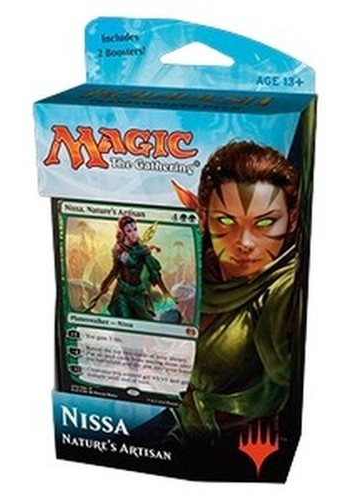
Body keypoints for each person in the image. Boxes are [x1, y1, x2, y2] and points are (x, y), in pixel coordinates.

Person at [170, 140, 302, 440]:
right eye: (226, 221)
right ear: (204, 217)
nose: (245, 243)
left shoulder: (283, 289)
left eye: (265, 223)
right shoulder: (196, 269)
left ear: (291, 219)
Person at [90, 215, 173, 320]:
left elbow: (154, 272)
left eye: (135, 229)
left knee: (144, 320)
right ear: (123, 233)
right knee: (124, 320)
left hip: (138, 293)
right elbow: (115, 270)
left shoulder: (142, 250)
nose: (133, 233)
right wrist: (104, 286)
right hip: (122, 293)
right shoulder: (118, 249)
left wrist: (166, 293)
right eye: (129, 231)